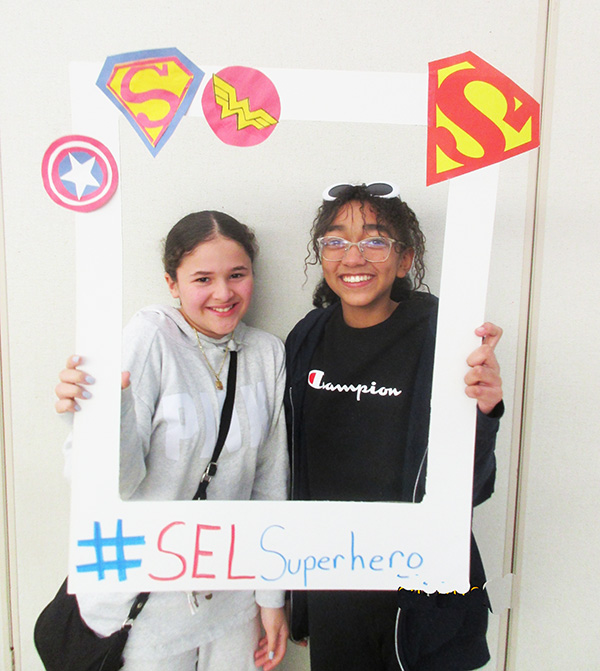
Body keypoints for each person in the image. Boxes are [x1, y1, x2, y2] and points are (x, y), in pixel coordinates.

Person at [55, 211, 289, 671]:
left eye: (237, 275)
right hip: (146, 610)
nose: (223, 293)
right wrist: (100, 416)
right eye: (203, 278)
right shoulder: (149, 338)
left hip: (233, 603)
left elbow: (270, 479)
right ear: (172, 283)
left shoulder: (266, 352)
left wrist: (271, 596)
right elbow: (116, 486)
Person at [284, 183, 504, 671]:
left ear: (404, 260)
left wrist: (485, 411)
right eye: (336, 241)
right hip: (335, 588)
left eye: (376, 240)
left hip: (426, 602)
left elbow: (475, 488)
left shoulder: (445, 339)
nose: (353, 256)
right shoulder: (307, 338)